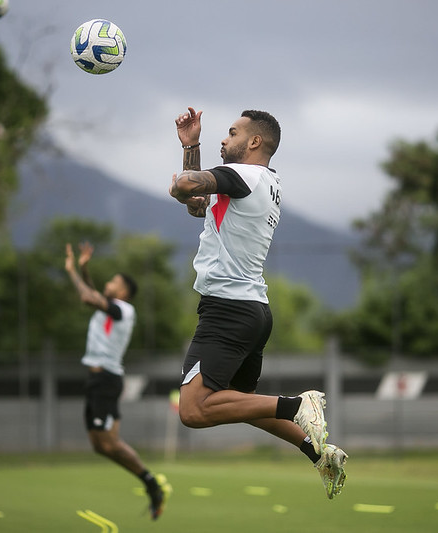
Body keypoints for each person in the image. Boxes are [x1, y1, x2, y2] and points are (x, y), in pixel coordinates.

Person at [169, 106, 348, 499]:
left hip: (228, 311)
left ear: (253, 142)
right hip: (251, 309)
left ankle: (298, 404)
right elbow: (197, 203)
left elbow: (185, 188)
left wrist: (181, 179)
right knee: (243, 403)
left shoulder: (243, 175)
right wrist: (192, 146)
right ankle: (316, 451)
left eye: (231, 132)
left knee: (194, 410)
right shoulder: (264, 181)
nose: (223, 138)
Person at [64, 242, 170, 519]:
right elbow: (95, 296)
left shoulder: (124, 310)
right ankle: (150, 482)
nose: (108, 284)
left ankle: (152, 484)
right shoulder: (111, 307)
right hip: (97, 380)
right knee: (100, 445)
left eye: (114, 281)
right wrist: (85, 268)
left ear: (124, 292)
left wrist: (73, 271)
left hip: (107, 381)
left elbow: (88, 298)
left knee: (109, 443)